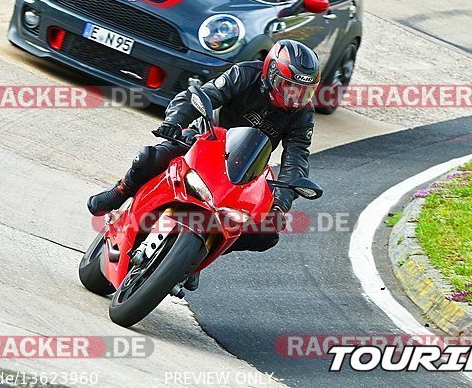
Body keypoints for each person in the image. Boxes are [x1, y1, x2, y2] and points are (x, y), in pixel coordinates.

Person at [88, 39, 320, 288]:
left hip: (243, 171)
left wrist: (280, 206)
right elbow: (203, 95)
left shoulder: (302, 113)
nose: (293, 98)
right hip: (204, 141)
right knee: (150, 157)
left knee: (266, 234)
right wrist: (175, 122)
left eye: (301, 92)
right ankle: (119, 192)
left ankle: (201, 253)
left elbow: (296, 158)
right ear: (270, 73)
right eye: (288, 87)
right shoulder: (245, 74)